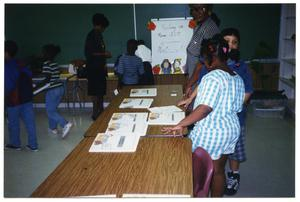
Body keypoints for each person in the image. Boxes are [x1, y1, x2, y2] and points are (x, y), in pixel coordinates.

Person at [162, 35, 245, 197]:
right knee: (218, 170)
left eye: (202, 57)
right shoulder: (235, 76)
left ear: (209, 57)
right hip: (231, 130)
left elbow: (204, 109)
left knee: (197, 174)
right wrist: (190, 98)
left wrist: (181, 124)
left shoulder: (212, 77)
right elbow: (237, 106)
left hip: (212, 132)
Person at [4, 40, 38, 151]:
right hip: (27, 98)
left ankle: (16, 144)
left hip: (14, 100)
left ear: (6, 53)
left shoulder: (6, 66)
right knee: (30, 123)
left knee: (13, 123)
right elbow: (29, 75)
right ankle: (33, 145)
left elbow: (8, 86)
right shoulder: (20, 63)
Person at [42, 44, 72, 138]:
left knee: (50, 111)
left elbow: (47, 78)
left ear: (47, 53)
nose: (42, 54)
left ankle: (65, 124)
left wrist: (37, 86)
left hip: (52, 90)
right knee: (53, 110)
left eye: (43, 52)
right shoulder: (54, 63)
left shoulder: (46, 64)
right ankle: (53, 128)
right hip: (60, 88)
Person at [84, 13, 111, 120]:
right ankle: (95, 114)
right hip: (93, 69)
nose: (104, 29)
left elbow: (99, 51)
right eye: (103, 27)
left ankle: (101, 111)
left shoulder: (99, 35)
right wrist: (105, 54)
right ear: (100, 25)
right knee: (95, 92)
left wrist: (104, 63)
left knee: (100, 92)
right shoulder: (92, 35)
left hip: (99, 69)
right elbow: (90, 53)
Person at [185, 4, 219, 84]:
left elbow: (207, 59)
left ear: (209, 10)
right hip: (193, 75)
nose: (199, 13)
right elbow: (192, 51)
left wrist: (190, 83)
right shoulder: (199, 25)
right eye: (196, 9)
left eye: (203, 9)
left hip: (200, 78)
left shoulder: (210, 28)